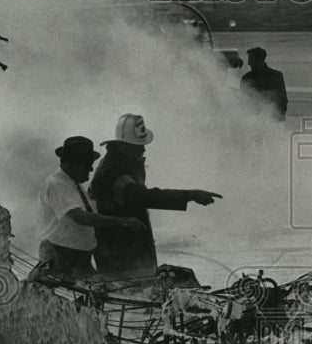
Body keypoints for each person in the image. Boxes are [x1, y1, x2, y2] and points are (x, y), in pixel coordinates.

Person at [90, 114, 222, 278]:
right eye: (138, 146)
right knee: (132, 294)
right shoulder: (113, 172)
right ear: (123, 146)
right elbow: (145, 197)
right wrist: (191, 195)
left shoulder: (118, 163)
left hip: (128, 248)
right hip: (121, 254)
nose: (143, 149)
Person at [35, 136, 144, 281]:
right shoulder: (55, 185)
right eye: (87, 165)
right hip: (59, 258)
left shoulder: (75, 186)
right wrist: (123, 221)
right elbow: (81, 217)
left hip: (80, 260)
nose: (91, 169)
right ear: (71, 163)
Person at [240, 46, 288, 121]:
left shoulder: (276, 76)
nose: (248, 63)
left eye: (250, 60)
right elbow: (244, 103)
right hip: (253, 121)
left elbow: (282, 101)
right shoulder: (246, 78)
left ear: (259, 60)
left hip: (272, 120)